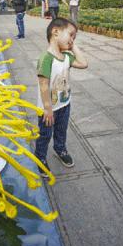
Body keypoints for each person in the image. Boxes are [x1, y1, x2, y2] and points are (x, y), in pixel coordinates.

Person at [35, 18, 88, 176]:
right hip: (48, 109)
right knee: (45, 134)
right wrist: (47, 108)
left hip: (64, 104)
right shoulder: (46, 58)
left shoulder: (66, 57)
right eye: (71, 35)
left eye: (74, 37)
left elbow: (84, 63)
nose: (72, 40)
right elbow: (43, 85)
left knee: (61, 130)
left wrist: (73, 45)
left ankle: (60, 149)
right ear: (55, 32)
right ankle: (40, 157)